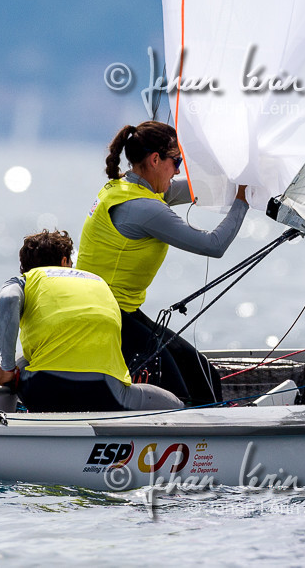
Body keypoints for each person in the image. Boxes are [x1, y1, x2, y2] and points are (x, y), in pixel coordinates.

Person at [76, 121, 249, 406]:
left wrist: (246, 179)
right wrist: (241, 201)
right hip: (106, 317)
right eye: (176, 161)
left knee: (203, 373)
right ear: (155, 160)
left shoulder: (127, 187)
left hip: (121, 311)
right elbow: (213, 245)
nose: (179, 170)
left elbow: (196, 189)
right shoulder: (143, 208)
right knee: (181, 392)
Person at [0, 229, 183, 413]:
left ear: (25, 267)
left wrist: (7, 368)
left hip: (45, 388)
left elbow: (8, 299)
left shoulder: (27, 280)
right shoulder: (97, 281)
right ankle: (185, 415)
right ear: (65, 261)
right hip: (107, 392)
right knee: (171, 402)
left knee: (10, 374)